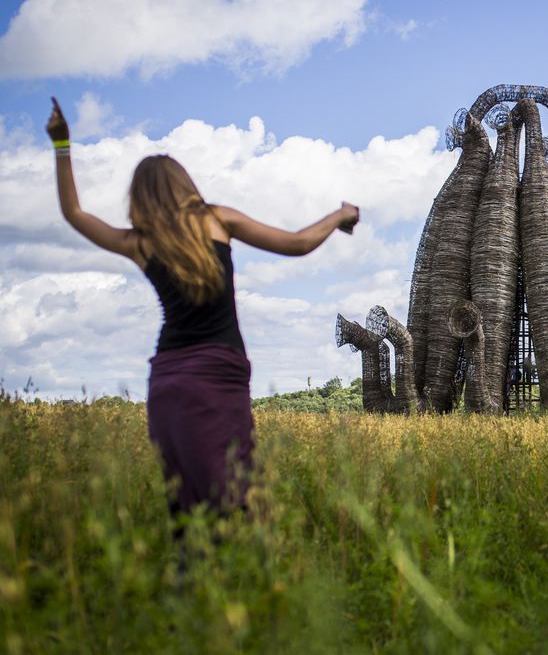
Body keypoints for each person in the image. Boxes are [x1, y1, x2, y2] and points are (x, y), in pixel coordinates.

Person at [47, 97, 359, 530]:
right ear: (183, 185)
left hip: (169, 379)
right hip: (220, 371)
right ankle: (246, 584)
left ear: (140, 197)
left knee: (186, 504)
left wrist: (62, 145)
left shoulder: (139, 242)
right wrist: (340, 214)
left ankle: (190, 586)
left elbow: (74, 213)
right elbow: (298, 243)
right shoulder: (216, 219)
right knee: (237, 496)